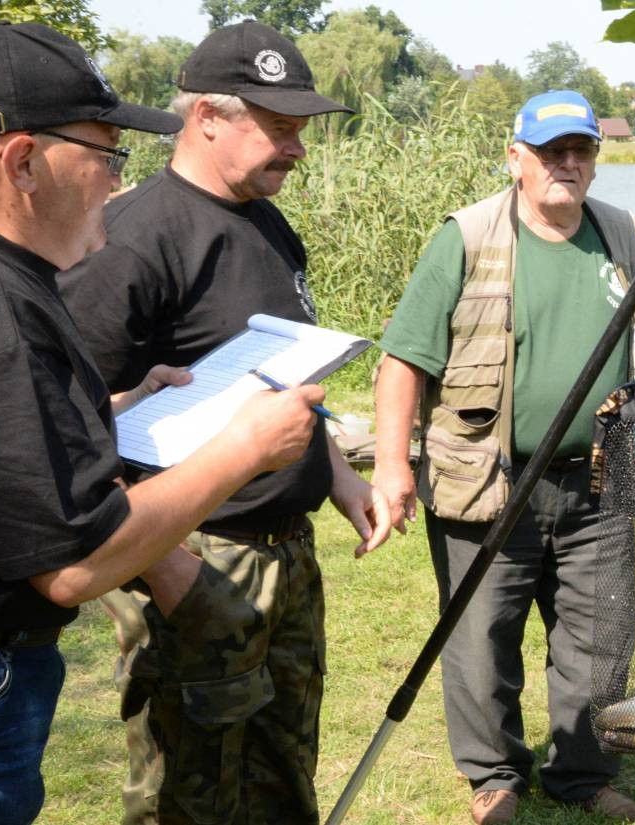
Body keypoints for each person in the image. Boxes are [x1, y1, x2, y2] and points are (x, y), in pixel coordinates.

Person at [0, 21, 324, 825]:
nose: (114, 180)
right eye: (105, 155)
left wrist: (113, 409)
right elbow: (71, 563)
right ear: (22, 161)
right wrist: (243, 448)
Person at [57, 21, 390, 825]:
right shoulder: (131, 241)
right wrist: (164, 567)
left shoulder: (268, 222)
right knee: (189, 792)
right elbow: (66, 428)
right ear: (207, 116)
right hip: (195, 555)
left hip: (287, 552)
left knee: (282, 780)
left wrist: (338, 478)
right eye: (280, 128)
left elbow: (283, 377)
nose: (298, 149)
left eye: (301, 129)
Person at [373, 90, 635, 825]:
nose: (567, 163)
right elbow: (403, 360)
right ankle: (494, 775)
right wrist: (393, 466)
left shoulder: (625, 236)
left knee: (600, 638)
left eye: (581, 150)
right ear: (515, 158)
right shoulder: (466, 237)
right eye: (552, 151)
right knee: (481, 638)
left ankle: (583, 774)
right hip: (488, 479)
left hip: (600, 481)